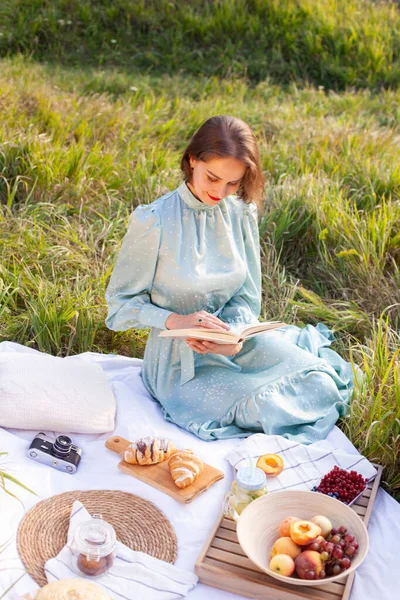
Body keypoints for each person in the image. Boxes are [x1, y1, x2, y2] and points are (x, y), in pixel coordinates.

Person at [105, 115, 355, 443]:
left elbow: (247, 297)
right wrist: (176, 321)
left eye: (232, 183)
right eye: (212, 178)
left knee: (320, 383)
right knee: (263, 410)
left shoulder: (239, 213)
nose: (220, 192)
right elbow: (119, 308)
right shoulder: (154, 222)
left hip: (237, 342)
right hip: (180, 365)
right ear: (192, 160)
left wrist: (233, 337)